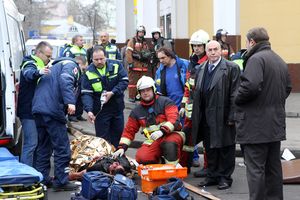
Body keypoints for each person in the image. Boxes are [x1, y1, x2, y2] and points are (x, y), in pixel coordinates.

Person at [235, 27, 292, 200]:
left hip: (255, 126)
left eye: (247, 42)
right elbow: (287, 88)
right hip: (275, 125)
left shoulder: (255, 59)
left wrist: (236, 98)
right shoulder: (278, 59)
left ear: (252, 41)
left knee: (256, 170)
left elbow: (250, 86)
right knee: (273, 169)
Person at [191, 40, 240, 190]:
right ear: (206, 52)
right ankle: (212, 175)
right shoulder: (201, 68)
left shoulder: (231, 68)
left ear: (221, 51)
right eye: (210, 50)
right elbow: (196, 92)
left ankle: (225, 177)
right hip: (205, 114)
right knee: (209, 147)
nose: (212, 52)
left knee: (226, 148)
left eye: (215, 49)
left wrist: (232, 116)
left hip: (223, 115)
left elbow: (235, 94)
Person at [32, 57, 81, 191]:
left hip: (38, 109)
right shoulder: (71, 65)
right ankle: (61, 181)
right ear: (82, 64)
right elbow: (66, 80)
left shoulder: (53, 67)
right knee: (62, 148)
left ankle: (42, 180)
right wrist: (70, 101)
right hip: (52, 110)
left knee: (43, 147)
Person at [112, 76, 184, 165]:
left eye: (148, 90)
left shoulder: (166, 102)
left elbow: (174, 119)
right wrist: (121, 148)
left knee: (169, 144)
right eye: (143, 91)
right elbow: (129, 131)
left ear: (153, 90)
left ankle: (173, 172)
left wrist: (162, 131)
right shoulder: (136, 111)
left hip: (172, 134)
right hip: (154, 139)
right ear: (139, 93)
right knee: (142, 157)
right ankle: (162, 163)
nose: (145, 93)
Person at [81, 47, 128, 148]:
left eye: (101, 59)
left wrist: (113, 92)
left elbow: (124, 81)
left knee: (117, 136)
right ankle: (105, 161)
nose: (99, 61)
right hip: (101, 111)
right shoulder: (88, 72)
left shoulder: (116, 65)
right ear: (91, 60)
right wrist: (89, 110)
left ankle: (116, 160)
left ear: (106, 57)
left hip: (117, 108)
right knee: (103, 141)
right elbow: (86, 94)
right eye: (96, 60)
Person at [178, 29, 209, 173]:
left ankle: (208, 167)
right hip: (191, 108)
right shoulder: (192, 61)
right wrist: (183, 104)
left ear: (205, 46)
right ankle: (185, 166)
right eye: (194, 46)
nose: (196, 49)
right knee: (187, 139)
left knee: (208, 139)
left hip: (205, 107)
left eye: (199, 46)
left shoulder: (208, 62)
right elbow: (188, 86)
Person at [17, 41, 53, 167]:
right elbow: (28, 73)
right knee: (31, 144)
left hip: (37, 111)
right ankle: (26, 175)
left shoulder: (43, 65)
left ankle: (36, 173)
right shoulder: (29, 62)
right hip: (28, 111)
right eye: (47, 56)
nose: (49, 59)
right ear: (38, 53)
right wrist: (39, 72)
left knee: (37, 144)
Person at [126, 25, 152, 103]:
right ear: (137, 33)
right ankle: (131, 96)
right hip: (134, 65)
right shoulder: (132, 41)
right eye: (140, 32)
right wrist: (130, 63)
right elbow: (128, 52)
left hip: (143, 66)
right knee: (133, 82)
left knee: (142, 83)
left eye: (142, 32)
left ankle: (139, 96)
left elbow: (147, 52)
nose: (141, 33)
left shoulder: (145, 42)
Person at [68, 56, 88, 122]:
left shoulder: (84, 69)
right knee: (74, 100)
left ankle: (78, 115)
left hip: (81, 86)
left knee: (80, 101)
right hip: (75, 86)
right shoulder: (73, 69)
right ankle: (71, 116)